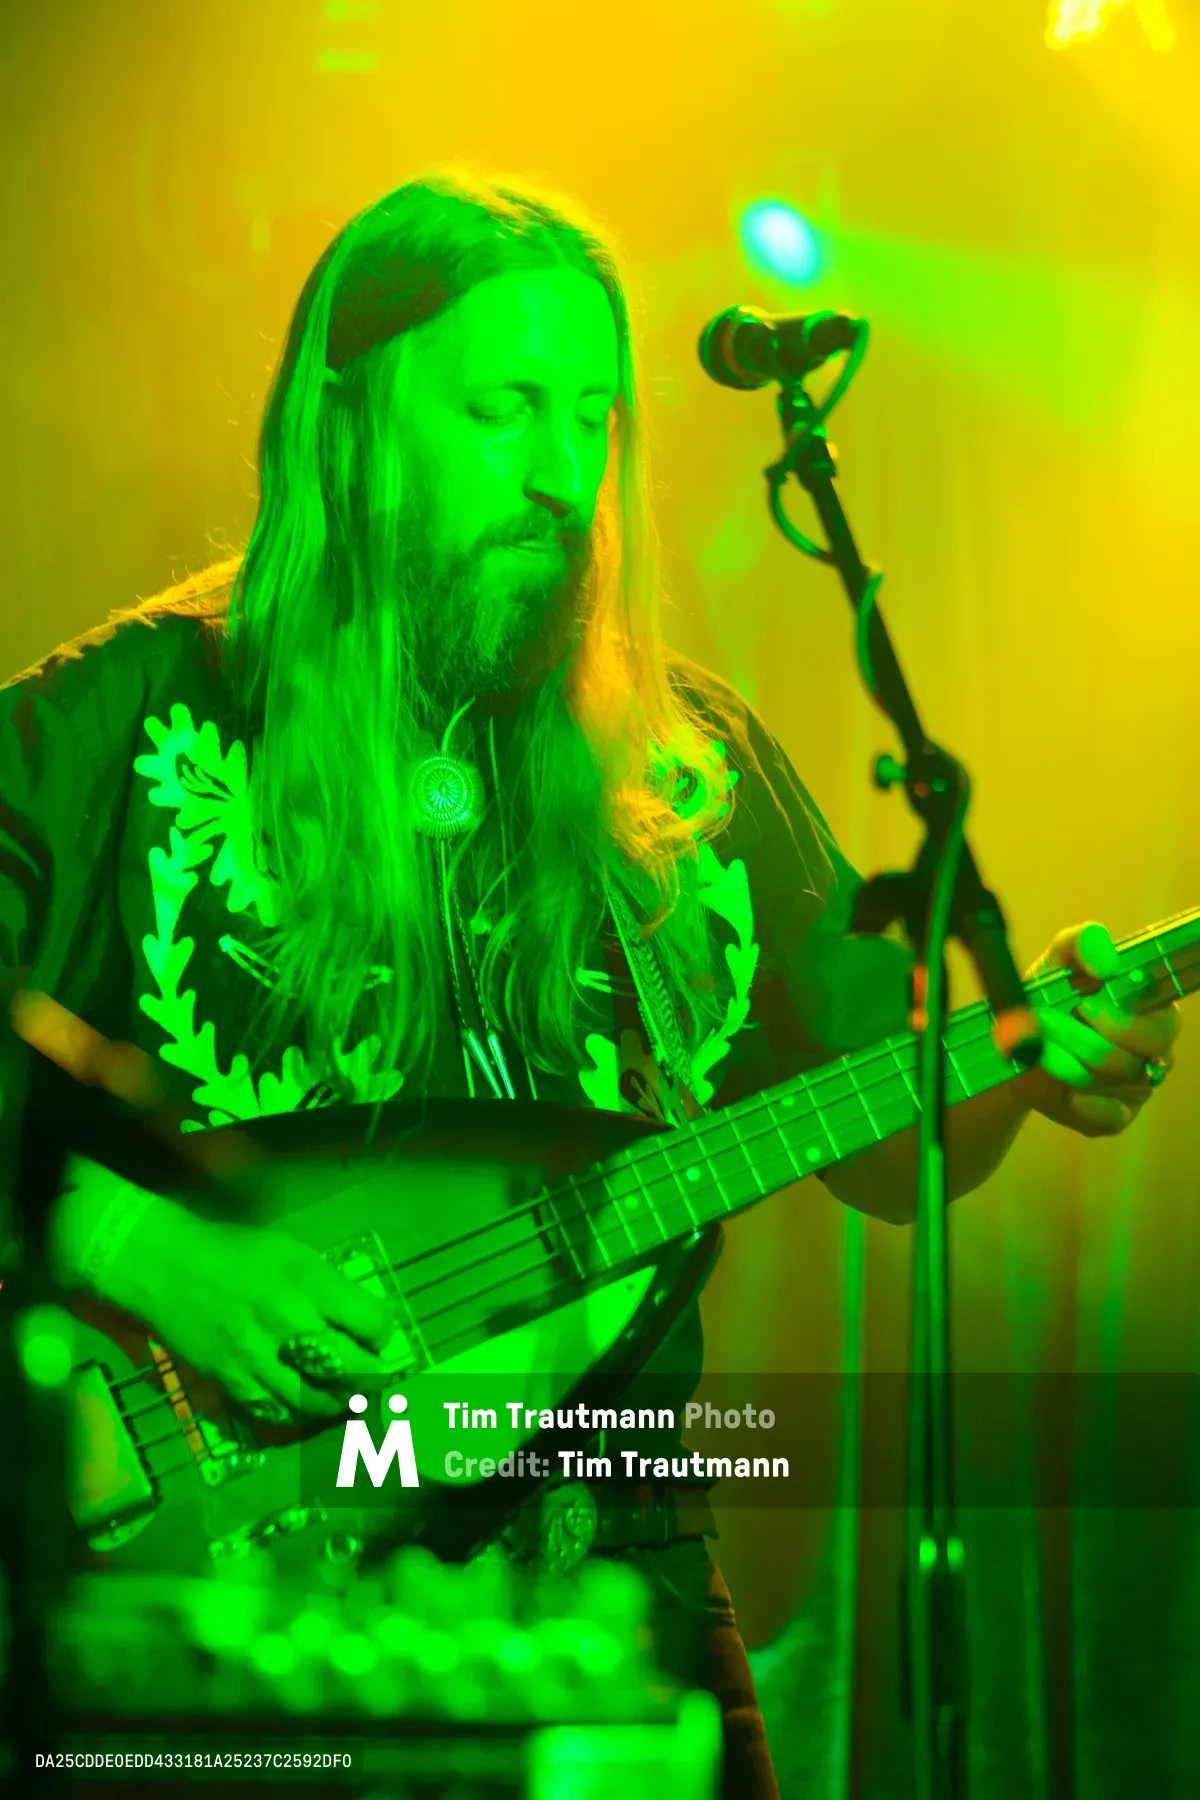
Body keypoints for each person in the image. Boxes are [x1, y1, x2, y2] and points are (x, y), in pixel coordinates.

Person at [0, 168, 1181, 1799]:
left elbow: (890, 1124)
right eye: (501, 411)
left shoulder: (687, 775)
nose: (564, 478)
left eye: (593, 421)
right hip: (223, 1620)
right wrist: (149, 1249)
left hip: (617, 1570)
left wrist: (1032, 1055)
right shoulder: (123, 728)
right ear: (351, 425)